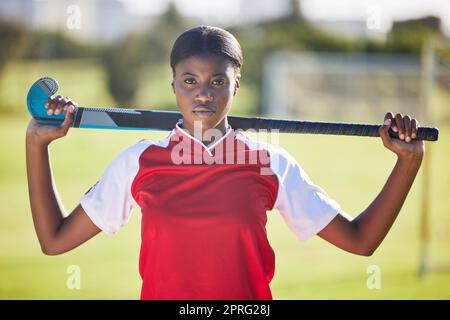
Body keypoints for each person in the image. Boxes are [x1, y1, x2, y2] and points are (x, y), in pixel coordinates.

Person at [26, 25, 424, 300]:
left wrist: (408, 162)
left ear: (236, 85)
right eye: (189, 81)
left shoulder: (270, 162)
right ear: (173, 85)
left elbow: (360, 240)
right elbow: (55, 239)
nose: (203, 94)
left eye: (217, 81)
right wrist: (36, 144)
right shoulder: (139, 162)